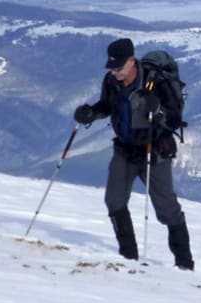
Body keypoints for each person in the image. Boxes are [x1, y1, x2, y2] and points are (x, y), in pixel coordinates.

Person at [73, 37, 194, 270]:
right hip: (125, 149)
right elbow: (107, 106)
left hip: (154, 150)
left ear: (131, 61)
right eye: (112, 67)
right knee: (114, 200)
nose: (115, 72)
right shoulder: (111, 82)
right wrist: (90, 113)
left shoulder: (155, 81)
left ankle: (185, 264)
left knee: (167, 209)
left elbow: (175, 117)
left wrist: (157, 109)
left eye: (119, 67)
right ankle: (127, 258)